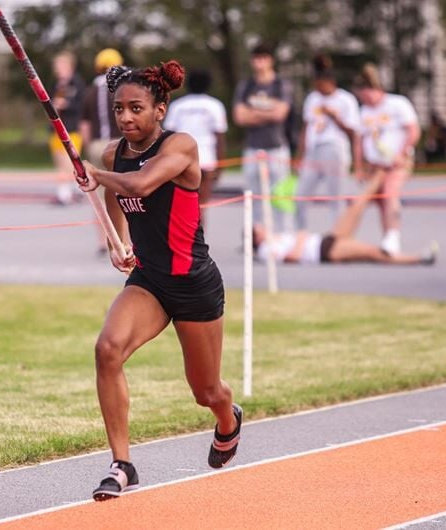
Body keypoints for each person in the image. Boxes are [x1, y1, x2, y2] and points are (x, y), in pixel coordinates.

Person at [77, 60, 241, 501]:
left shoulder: (182, 147)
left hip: (193, 283)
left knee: (205, 391)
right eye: (118, 109)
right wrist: (118, 240)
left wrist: (95, 175)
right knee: (107, 349)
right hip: (149, 279)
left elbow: (142, 184)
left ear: (160, 109)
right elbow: (117, 191)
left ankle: (228, 417)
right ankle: (122, 464)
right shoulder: (114, 154)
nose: (126, 117)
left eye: (136, 108)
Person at [255, 173, 436, 266]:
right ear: (255, 238)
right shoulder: (265, 250)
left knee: (356, 207)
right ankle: (417, 258)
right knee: (373, 252)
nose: (263, 227)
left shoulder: (274, 238)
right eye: (258, 228)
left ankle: (381, 173)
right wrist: (301, 238)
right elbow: (291, 257)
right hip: (323, 251)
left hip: (324, 239)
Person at [354, 63, 420, 255]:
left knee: (391, 193)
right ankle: (388, 237)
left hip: (396, 162)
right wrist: (359, 166)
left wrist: (402, 152)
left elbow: (413, 130)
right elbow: (359, 140)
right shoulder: (364, 111)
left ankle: (393, 236)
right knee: (380, 200)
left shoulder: (397, 104)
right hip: (376, 164)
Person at [233, 43, 294, 232]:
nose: (259, 63)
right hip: (253, 147)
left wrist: (254, 112)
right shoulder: (247, 86)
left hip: (276, 147)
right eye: (256, 58)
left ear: (270, 61)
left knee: (280, 195)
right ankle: (257, 236)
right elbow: (239, 116)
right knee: (253, 195)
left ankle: (284, 234)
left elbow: (280, 114)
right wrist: (267, 110)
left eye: (263, 58)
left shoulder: (280, 85)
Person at [296, 55, 360, 227]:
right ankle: (300, 234)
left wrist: (334, 117)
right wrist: (300, 156)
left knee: (335, 197)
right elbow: (306, 128)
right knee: (300, 195)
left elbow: (353, 131)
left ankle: (336, 236)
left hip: (334, 148)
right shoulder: (312, 99)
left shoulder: (345, 100)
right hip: (313, 149)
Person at [163, 69, 228, 211]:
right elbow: (220, 138)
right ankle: (200, 232)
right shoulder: (214, 105)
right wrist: (220, 165)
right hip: (206, 158)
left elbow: (169, 136)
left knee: (183, 206)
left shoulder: (178, 106)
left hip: (181, 159)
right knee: (201, 205)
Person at [81, 48, 125, 254]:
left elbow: (85, 125)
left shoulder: (90, 92)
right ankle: (125, 240)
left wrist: (87, 148)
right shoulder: (121, 89)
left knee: (98, 196)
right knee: (124, 193)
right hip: (119, 143)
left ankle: (102, 242)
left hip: (98, 144)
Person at [48, 51, 84, 205]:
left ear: (69, 66)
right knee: (59, 161)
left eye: (60, 65)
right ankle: (69, 190)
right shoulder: (56, 85)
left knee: (68, 162)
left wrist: (67, 105)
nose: (57, 68)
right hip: (56, 129)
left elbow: (82, 106)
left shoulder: (77, 84)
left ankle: (66, 194)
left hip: (71, 129)